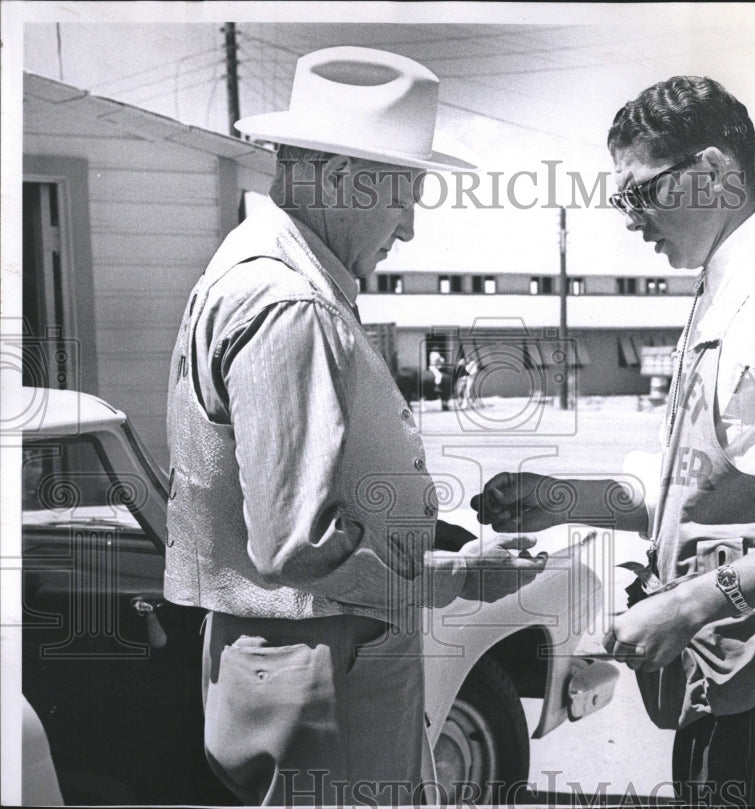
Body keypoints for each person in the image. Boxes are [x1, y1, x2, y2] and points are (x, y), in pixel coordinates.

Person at [473, 76, 755, 806]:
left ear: (714, 172)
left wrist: (691, 603)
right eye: (621, 198)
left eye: (642, 192)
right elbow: (689, 491)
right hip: (720, 684)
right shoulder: (720, 290)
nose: (631, 217)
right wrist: (561, 500)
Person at [164, 47, 545, 807]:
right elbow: (297, 542)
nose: (406, 227)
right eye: (403, 195)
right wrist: (458, 576)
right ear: (339, 178)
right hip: (321, 662)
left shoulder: (269, 271)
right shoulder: (290, 301)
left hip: (302, 655)